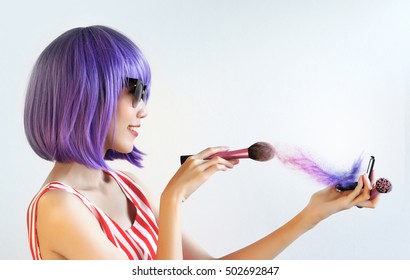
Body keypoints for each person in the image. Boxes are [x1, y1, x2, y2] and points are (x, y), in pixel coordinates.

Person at [24, 25, 379, 260]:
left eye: (145, 94)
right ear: (86, 97)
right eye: (134, 93)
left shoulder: (127, 187)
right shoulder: (59, 208)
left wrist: (312, 214)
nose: (143, 110)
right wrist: (173, 198)